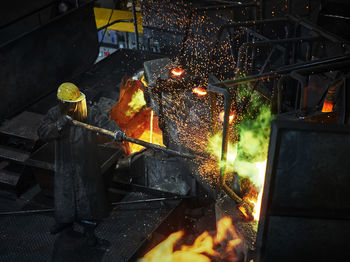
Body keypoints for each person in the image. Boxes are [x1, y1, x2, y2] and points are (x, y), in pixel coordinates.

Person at [37, 82, 125, 246]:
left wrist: (116, 132)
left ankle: (89, 230)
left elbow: (104, 123)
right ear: (63, 103)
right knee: (65, 195)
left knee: (88, 197)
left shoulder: (89, 113)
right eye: (69, 104)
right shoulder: (55, 114)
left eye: (74, 104)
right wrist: (59, 125)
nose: (73, 107)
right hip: (65, 164)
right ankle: (64, 221)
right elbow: (42, 132)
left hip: (85, 163)